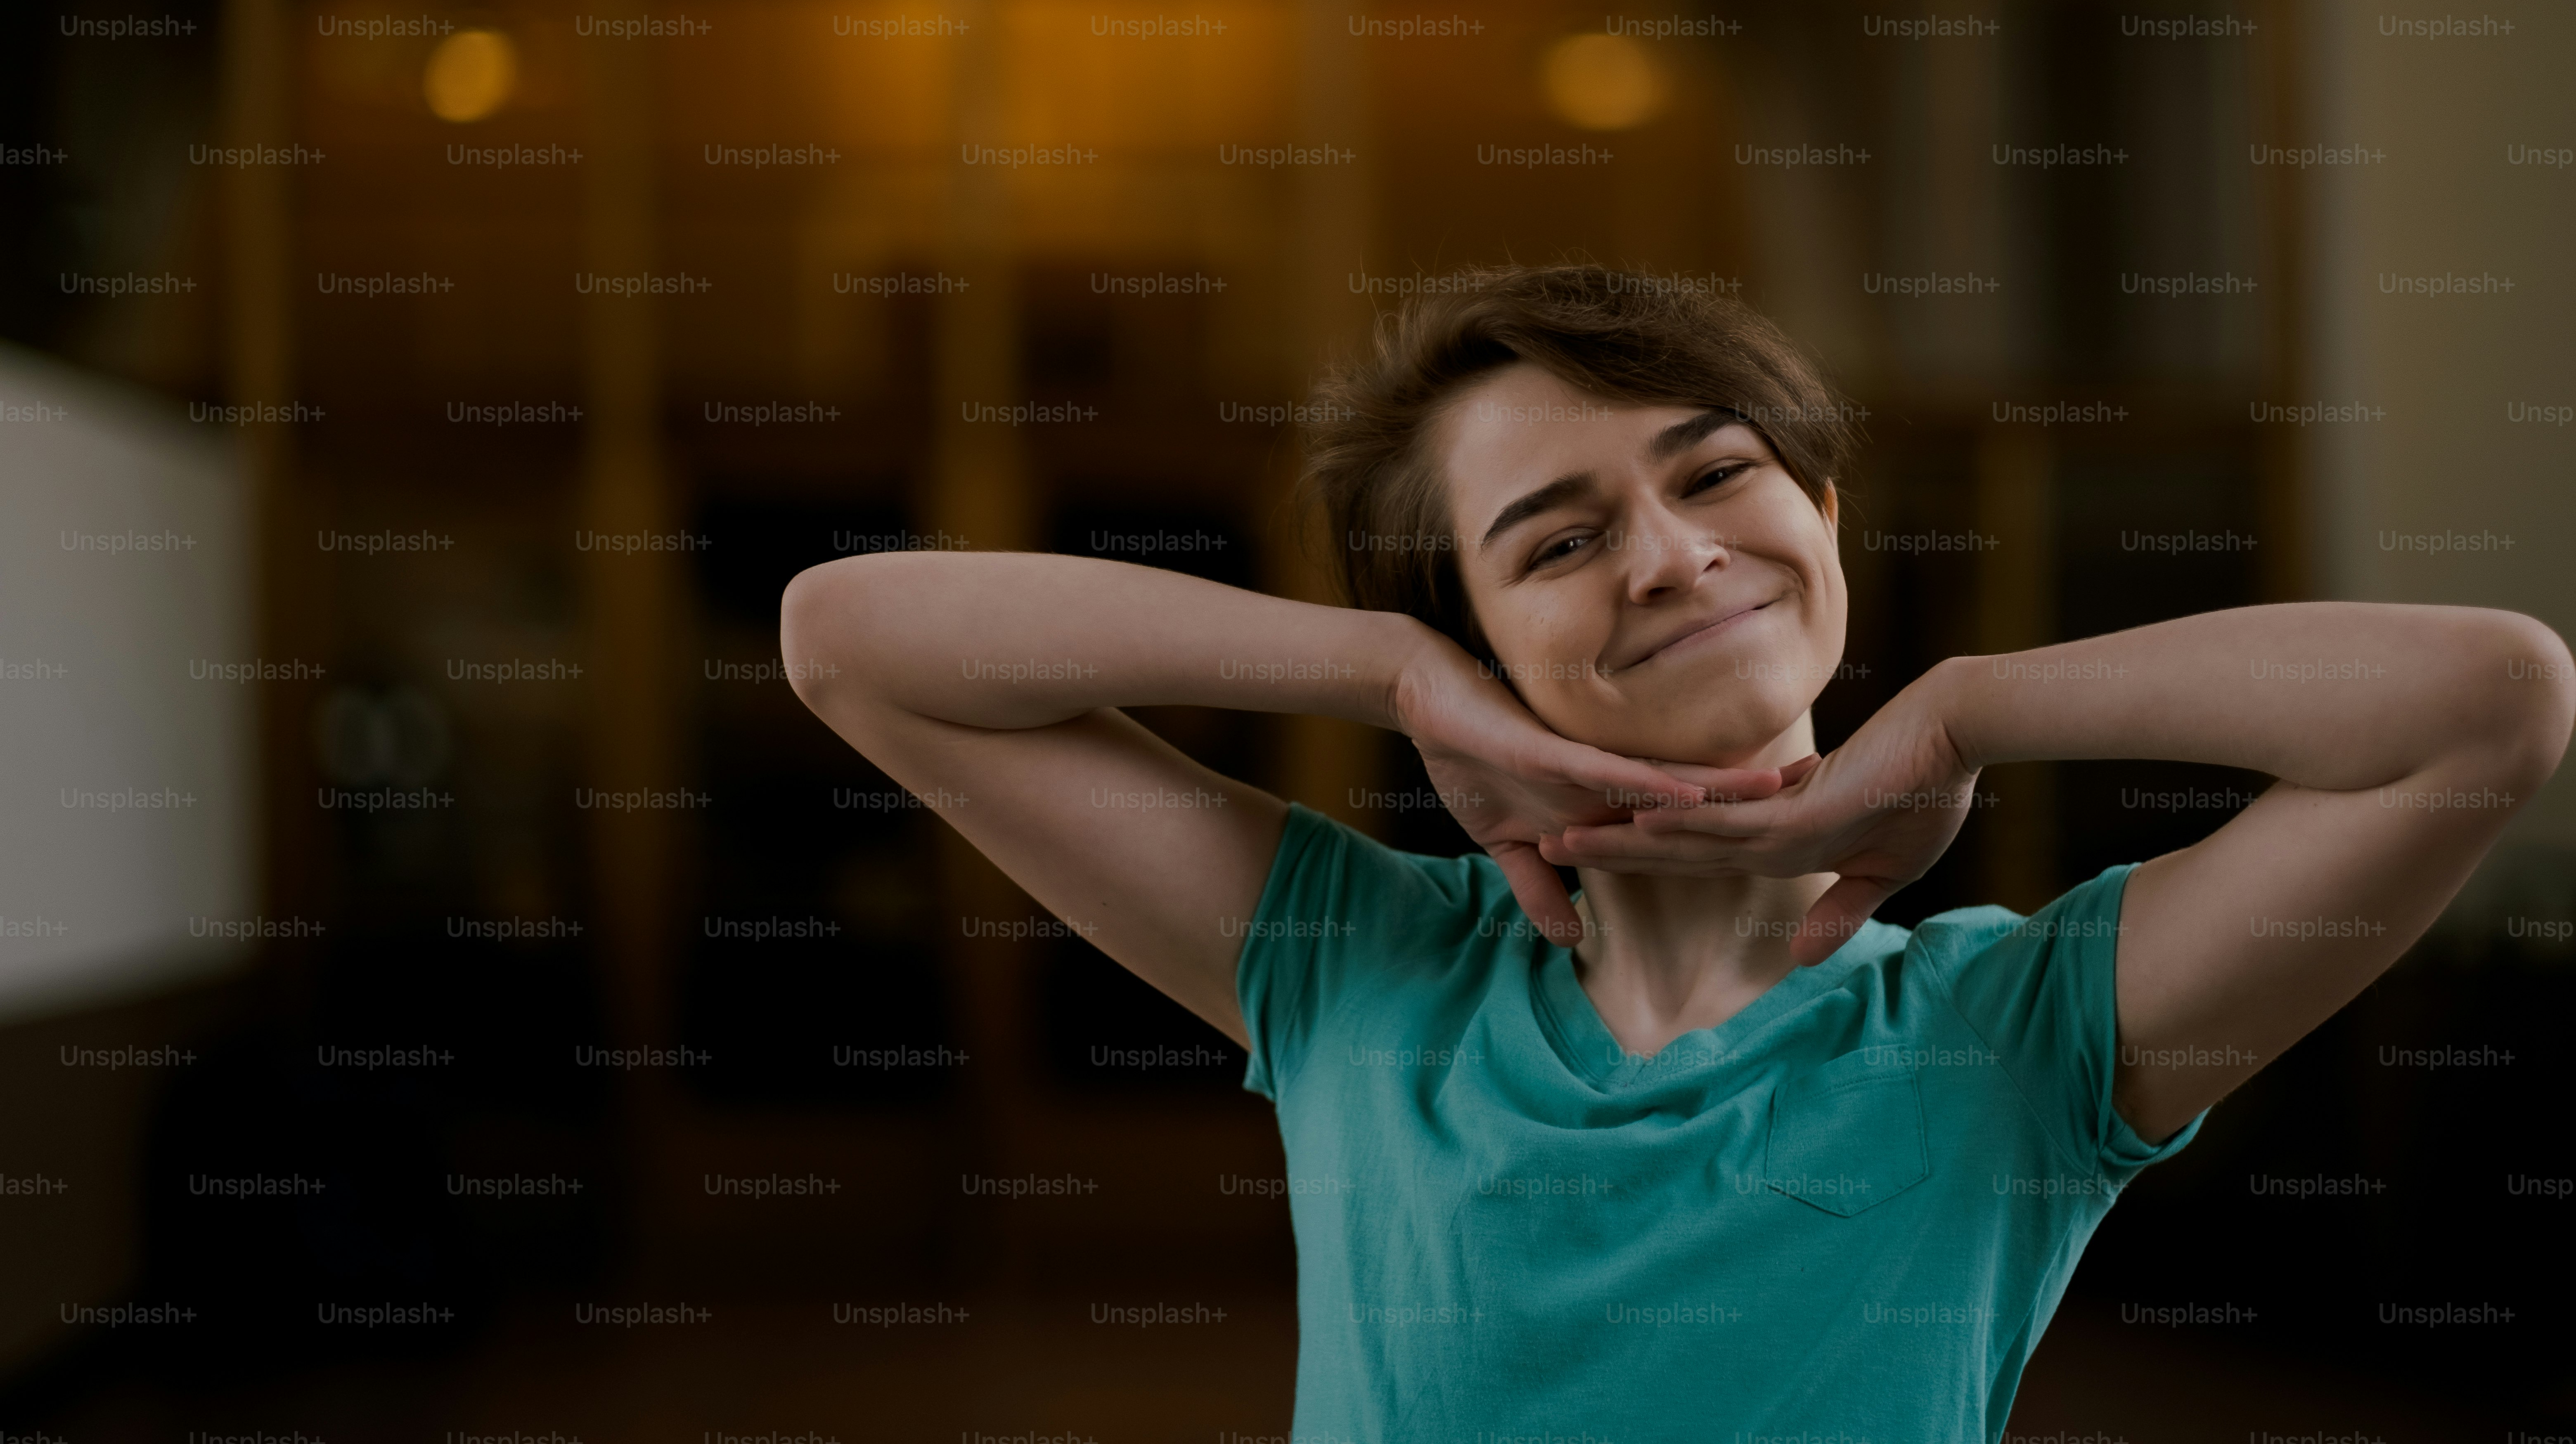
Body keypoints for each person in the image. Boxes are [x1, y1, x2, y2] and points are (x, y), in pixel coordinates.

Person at [778, 265, 2573, 1443]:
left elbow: (2490, 697)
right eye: (1554, 541)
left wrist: (1961, 711)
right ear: (1475, 643)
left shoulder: (2015, 1032)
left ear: (1824, 523)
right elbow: (852, 633)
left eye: (1717, 475)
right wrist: (1382, 669)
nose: (1671, 553)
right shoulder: (1365, 967)